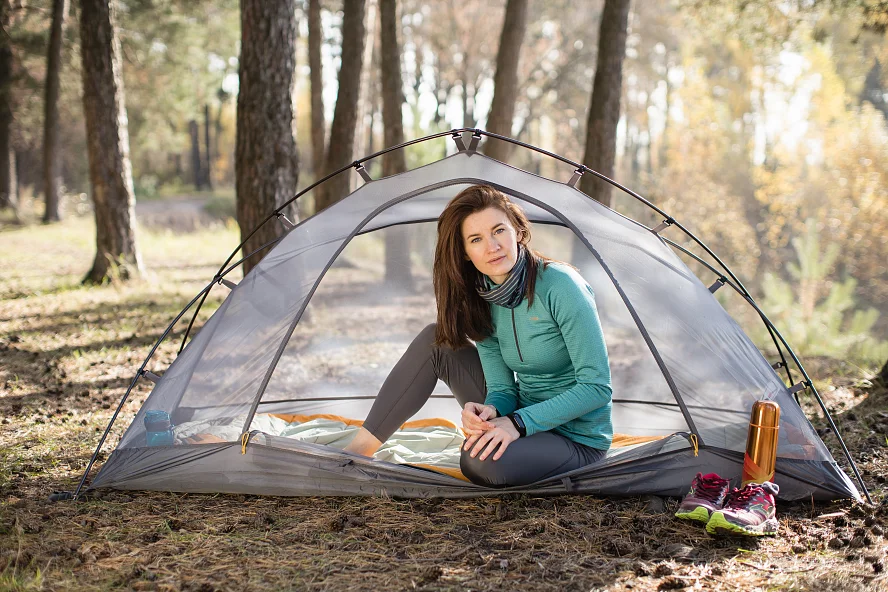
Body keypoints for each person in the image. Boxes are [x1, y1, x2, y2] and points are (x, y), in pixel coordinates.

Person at [344, 184, 612, 487]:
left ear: (518, 231)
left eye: (499, 231)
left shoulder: (562, 287)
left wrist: (517, 423)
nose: (492, 246)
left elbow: (596, 387)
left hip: (575, 438)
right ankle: (353, 455)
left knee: (480, 460)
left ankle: (523, 446)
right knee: (436, 341)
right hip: (520, 415)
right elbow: (501, 388)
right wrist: (491, 409)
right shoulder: (481, 298)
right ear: (466, 254)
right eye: (476, 239)